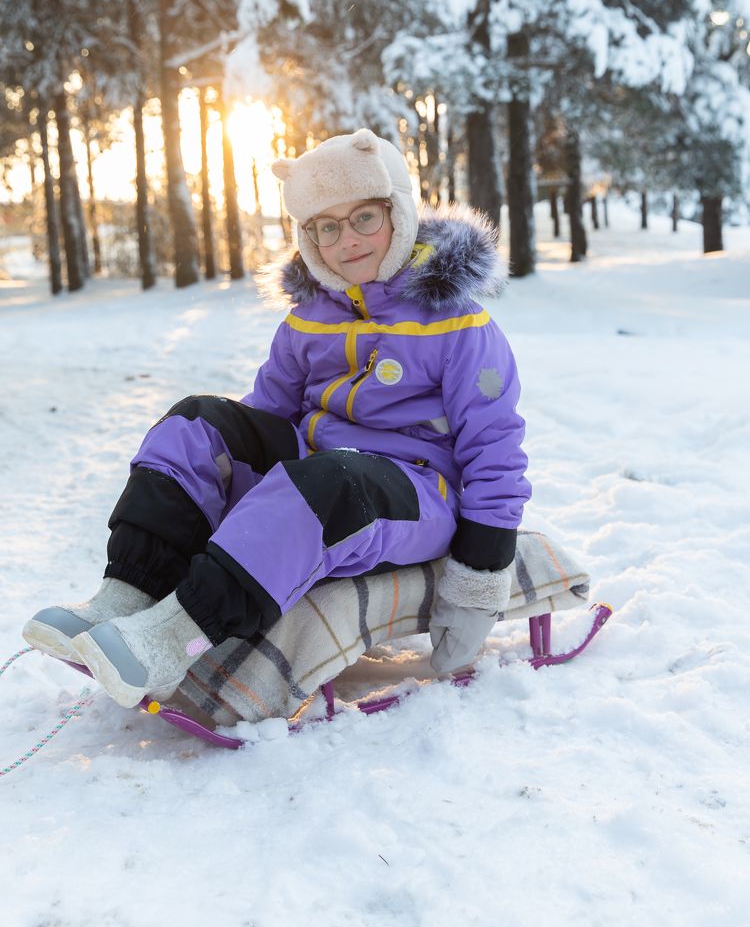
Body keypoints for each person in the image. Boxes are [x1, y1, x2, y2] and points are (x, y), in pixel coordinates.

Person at [22, 128, 531, 709]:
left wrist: (478, 583)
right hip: (318, 475)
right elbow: (263, 416)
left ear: (400, 211)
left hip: (417, 491)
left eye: (364, 217)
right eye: (326, 227)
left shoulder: (457, 323)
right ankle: (128, 593)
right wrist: (224, 476)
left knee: (329, 481)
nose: (347, 240)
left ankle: (175, 635)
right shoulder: (309, 319)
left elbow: (494, 448)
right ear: (308, 238)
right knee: (198, 423)